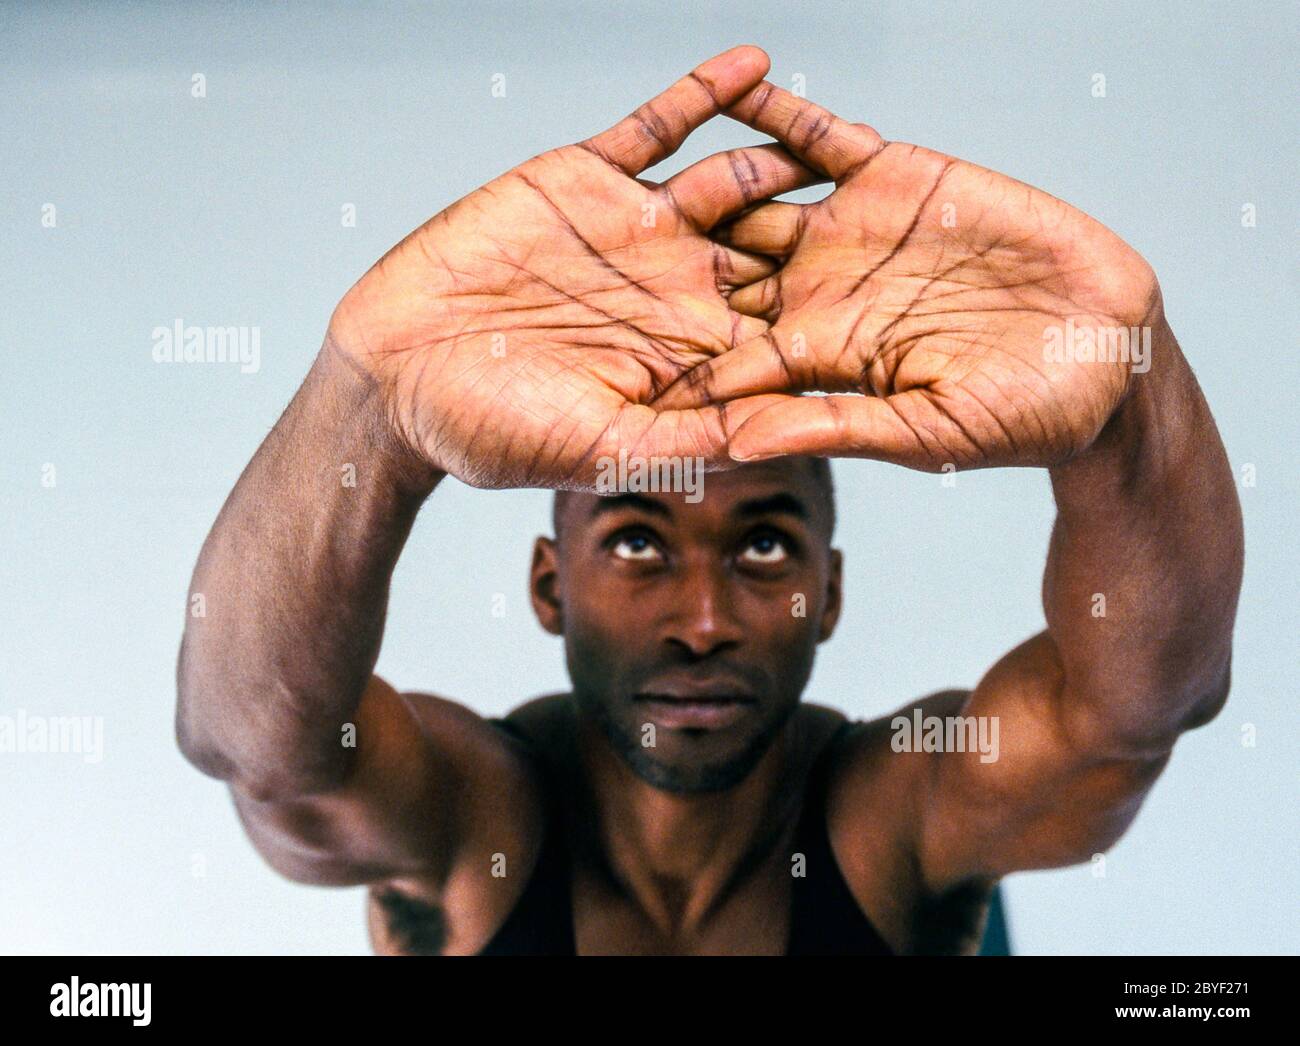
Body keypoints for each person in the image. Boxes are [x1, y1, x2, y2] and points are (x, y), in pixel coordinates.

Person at [175, 46, 1243, 955]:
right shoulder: (478, 822)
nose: (703, 619)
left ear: (829, 594)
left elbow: (1129, 714)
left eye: (767, 546)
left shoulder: (886, 819)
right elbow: (260, 747)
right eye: (638, 541)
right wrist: (366, 405)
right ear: (550, 584)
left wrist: (1128, 391)